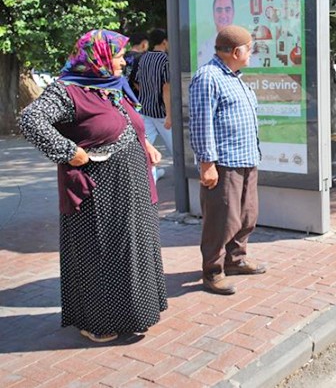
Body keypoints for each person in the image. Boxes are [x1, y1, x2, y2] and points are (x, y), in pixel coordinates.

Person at [18, 29, 167, 343]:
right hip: (97, 189)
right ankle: (97, 321)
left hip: (132, 186)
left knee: (131, 248)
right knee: (99, 252)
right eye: (117, 55)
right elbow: (31, 120)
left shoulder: (111, 88)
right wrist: (69, 152)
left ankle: (131, 314)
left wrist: (146, 146)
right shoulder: (68, 90)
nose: (123, 61)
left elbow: (127, 123)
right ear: (96, 58)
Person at [189, 25, 266, 296]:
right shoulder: (208, 77)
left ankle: (235, 259)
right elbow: (201, 122)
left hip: (245, 159)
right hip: (224, 163)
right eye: (250, 48)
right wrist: (207, 163)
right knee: (222, 219)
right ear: (236, 51)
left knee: (247, 215)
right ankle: (213, 271)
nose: (252, 52)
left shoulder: (234, 77)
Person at [136, 28, 172, 182]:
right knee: (178, 150)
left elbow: (138, 83)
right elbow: (166, 88)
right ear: (164, 41)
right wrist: (169, 115)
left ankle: (150, 181)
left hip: (145, 109)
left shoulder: (144, 58)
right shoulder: (166, 60)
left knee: (146, 149)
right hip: (162, 112)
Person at [197, 0, 235, 68]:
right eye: (219, 10)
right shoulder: (204, 50)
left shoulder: (245, 48)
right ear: (213, 14)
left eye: (227, 10)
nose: (223, 15)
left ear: (233, 13)